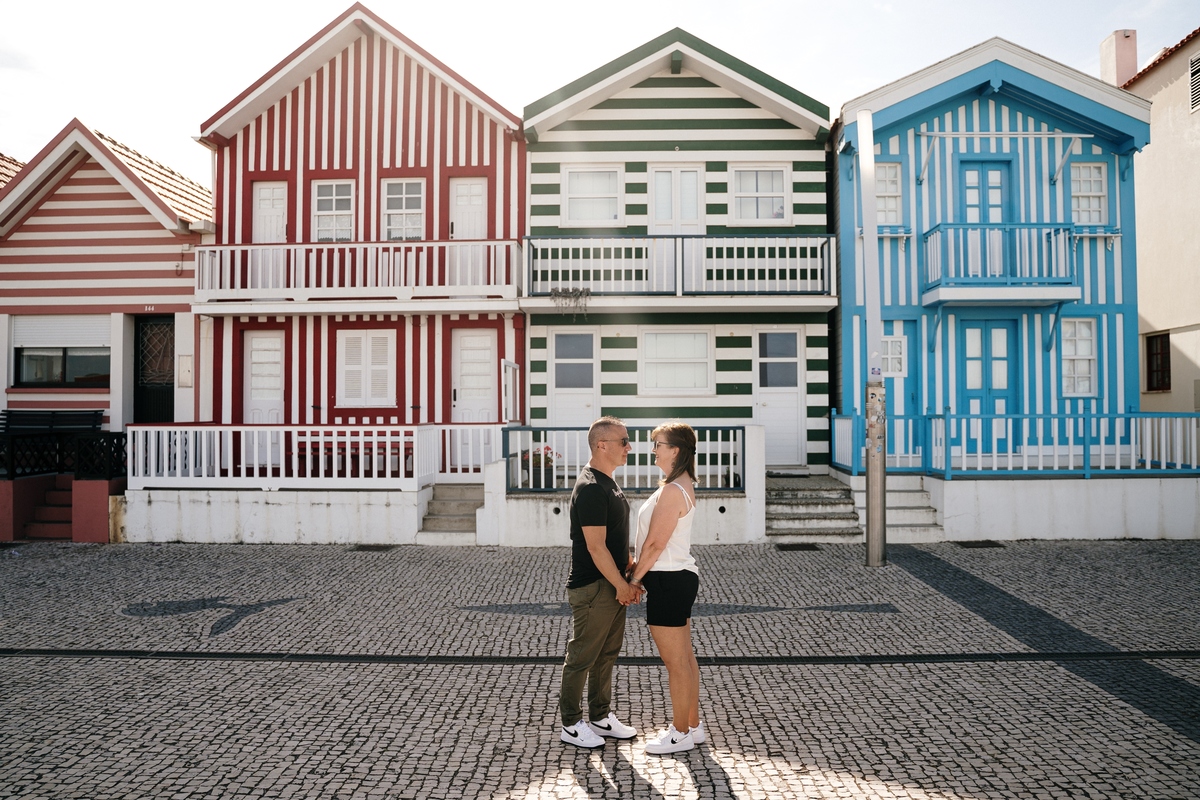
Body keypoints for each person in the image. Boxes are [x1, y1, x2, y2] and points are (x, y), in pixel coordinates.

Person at [559, 416, 642, 748]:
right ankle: (570, 724)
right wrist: (621, 586)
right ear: (602, 445)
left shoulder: (609, 483)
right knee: (582, 656)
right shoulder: (592, 487)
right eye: (624, 441)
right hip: (594, 587)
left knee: (607, 654)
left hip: (611, 582)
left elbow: (614, 538)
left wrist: (630, 570)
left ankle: (600, 716)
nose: (629, 447)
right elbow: (595, 547)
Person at [628, 420, 703, 754]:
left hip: (668, 578)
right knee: (685, 658)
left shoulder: (673, 491)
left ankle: (680, 732)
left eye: (658, 444)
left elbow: (656, 544)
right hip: (676, 577)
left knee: (677, 664)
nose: (653, 450)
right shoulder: (680, 484)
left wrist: (634, 579)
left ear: (675, 450)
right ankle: (693, 726)